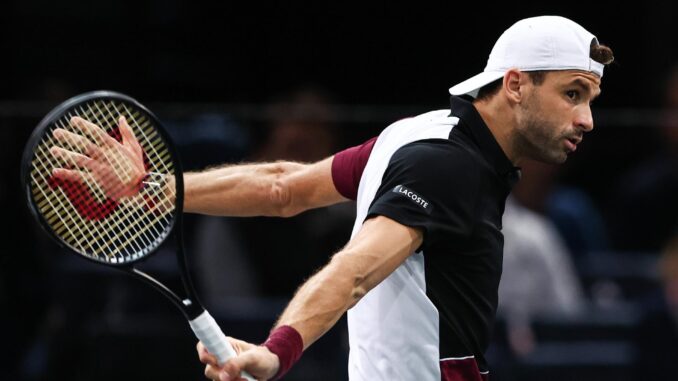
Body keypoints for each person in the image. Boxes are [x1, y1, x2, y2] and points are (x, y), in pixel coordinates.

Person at [49, 16, 613, 381]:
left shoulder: (416, 134)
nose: (586, 118)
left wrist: (151, 191)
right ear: (515, 85)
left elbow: (281, 188)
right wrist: (278, 352)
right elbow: (356, 270)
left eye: (590, 98)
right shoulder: (450, 168)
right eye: (572, 94)